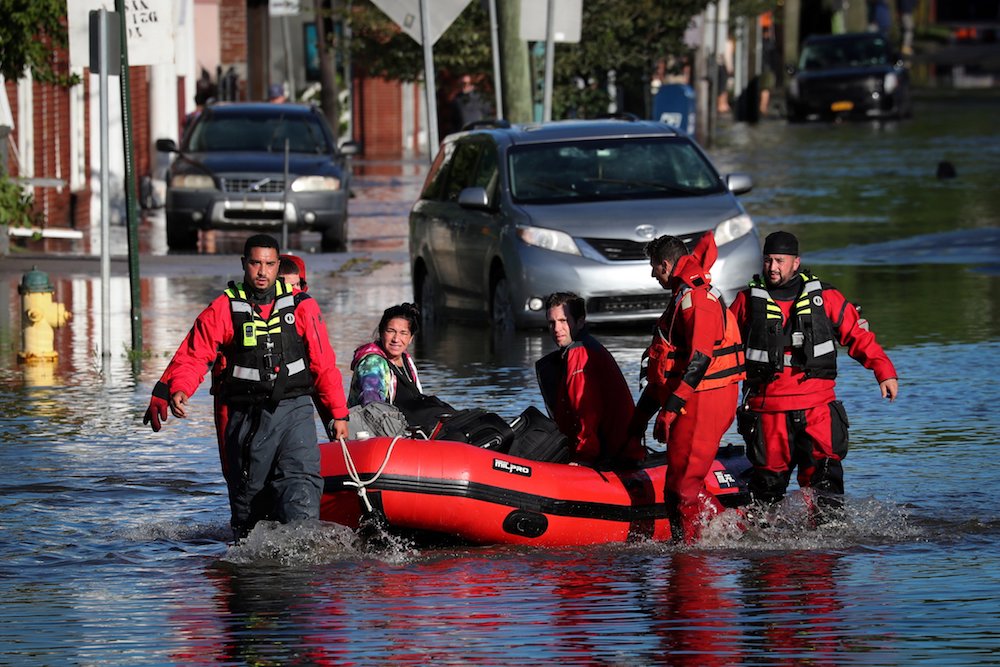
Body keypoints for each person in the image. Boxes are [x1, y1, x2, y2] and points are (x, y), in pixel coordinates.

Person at [142, 234, 349, 540]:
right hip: (247, 417)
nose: (262, 271)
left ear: (278, 266)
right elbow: (195, 353)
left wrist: (338, 414)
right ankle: (252, 565)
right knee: (250, 502)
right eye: (255, 263)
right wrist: (180, 388)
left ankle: (303, 555)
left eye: (268, 264)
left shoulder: (303, 307)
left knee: (302, 482)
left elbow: (323, 363)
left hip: (295, 411)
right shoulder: (224, 308)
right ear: (244, 264)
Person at [729, 231, 899, 511]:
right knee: (765, 499)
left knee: (827, 495)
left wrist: (884, 372)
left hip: (817, 409)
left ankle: (828, 551)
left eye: (780, 261)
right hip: (769, 413)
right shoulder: (746, 302)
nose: (772, 267)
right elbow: (721, 348)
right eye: (768, 260)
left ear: (796, 262)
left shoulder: (826, 297)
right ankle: (768, 552)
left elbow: (858, 336)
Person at [627, 233, 746, 543]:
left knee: (682, 488)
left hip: (703, 399)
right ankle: (732, 533)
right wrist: (640, 419)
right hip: (694, 398)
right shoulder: (683, 296)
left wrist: (670, 409)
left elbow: (700, 359)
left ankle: (689, 556)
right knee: (681, 483)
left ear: (666, 265)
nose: (653, 275)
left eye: (654, 268)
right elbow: (668, 366)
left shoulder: (697, 300)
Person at [535, 292, 645, 467]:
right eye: (551, 322)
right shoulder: (583, 348)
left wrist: (583, 458)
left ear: (580, 321)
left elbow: (586, 411)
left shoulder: (579, 354)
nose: (556, 329)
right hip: (616, 451)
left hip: (613, 457)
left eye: (563, 321)